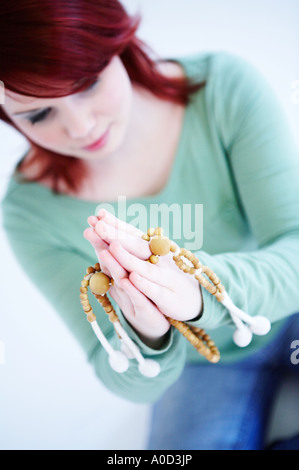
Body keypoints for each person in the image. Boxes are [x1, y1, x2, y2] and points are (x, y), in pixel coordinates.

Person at [1, 0, 299, 450]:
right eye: (38, 114)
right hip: (201, 366)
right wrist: (148, 334)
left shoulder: (223, 90)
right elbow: (118, 371)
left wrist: (198, 291)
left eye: (87, 83)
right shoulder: (31, 213)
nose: (81, 127)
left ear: (116, 42)